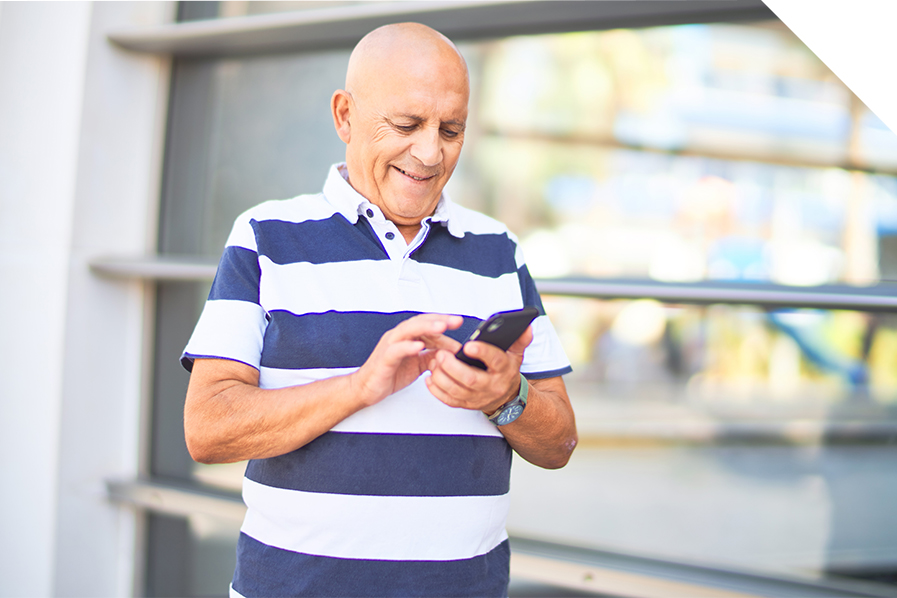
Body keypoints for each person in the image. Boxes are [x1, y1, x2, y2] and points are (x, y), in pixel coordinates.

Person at [181, 22, 577, 598]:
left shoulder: (499, 251)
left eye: (451, 129)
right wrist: (360, 387)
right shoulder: (266, 236)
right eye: (407, 125)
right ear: (344, 116)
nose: (430, 152)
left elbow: (560, 443)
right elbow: (207, 430)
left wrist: (504, 396)